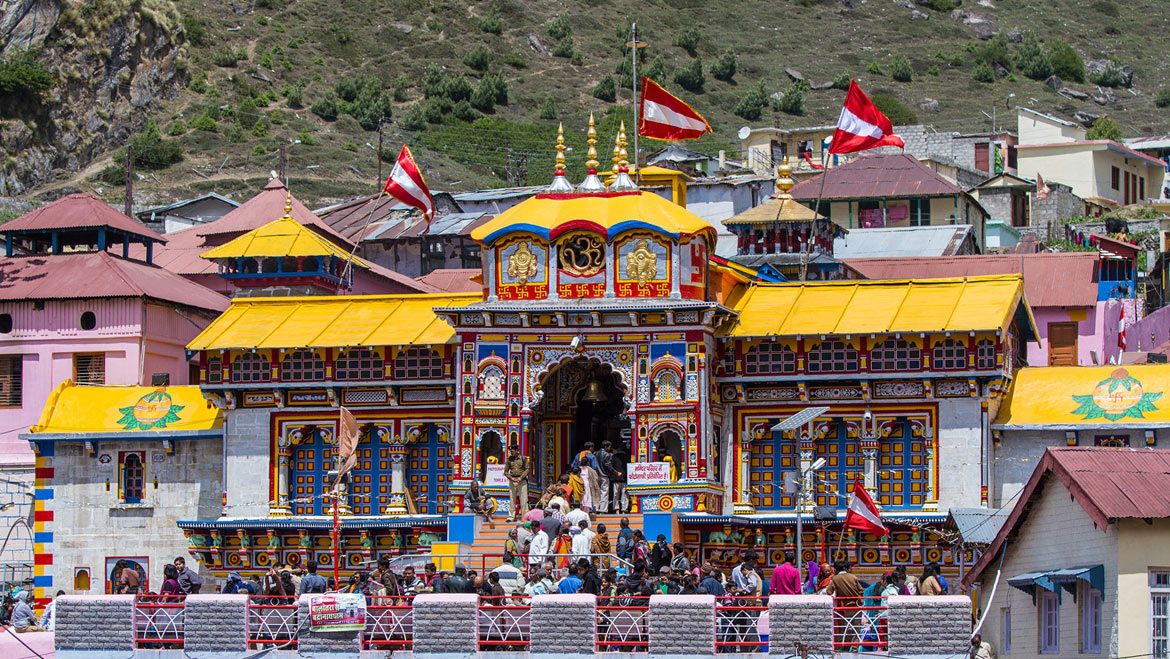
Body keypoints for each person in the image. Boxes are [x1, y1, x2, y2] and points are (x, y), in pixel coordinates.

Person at [826, 560, 864, 650]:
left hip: (846, 607)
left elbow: (829, 591)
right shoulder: (853, 577)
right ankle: (855, 648)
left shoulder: (835, 579)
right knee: (857, 629)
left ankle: (845, 648)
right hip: (857, 606)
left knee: (847, 628)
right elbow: (861, 590)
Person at [504, 443, 531, 521]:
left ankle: (524, 517)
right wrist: (511, 478)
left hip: (522, 481)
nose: (511, 452)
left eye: (512, 451)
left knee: (524, 499)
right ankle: (511, 516)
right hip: (512, 480)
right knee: (512, 499)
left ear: (517, 450)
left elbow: (527, 469)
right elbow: (505, 471)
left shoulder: (523, 459)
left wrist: (521, 477)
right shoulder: (509, 459)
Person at [595, 441, 615, 513]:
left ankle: (596, 508)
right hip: (604, 476)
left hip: (596, 475)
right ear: (606, 447)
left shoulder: (595, 453)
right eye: (609, 446)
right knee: (604, 492)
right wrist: (615, 472)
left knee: (596, 492)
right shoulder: (606, 454)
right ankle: (603, 510)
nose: (610, 448)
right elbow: (608, 465)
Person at [609, 448, 628, 513]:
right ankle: (624, 510)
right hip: (624, 479)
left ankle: (617, 509)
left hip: (616, 479)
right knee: (624, 495)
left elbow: (611, 467)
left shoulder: (614, 457)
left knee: (616, 494)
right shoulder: (627, 457)